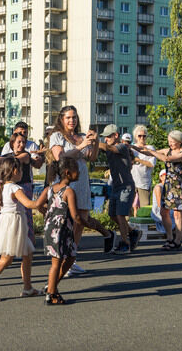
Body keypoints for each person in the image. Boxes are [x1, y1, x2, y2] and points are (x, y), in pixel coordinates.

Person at [49, 106, 115, 272]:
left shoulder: (81, 136)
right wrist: (80, 146)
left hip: (82, 180)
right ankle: (62, 258)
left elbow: (92, 157)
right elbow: (60, 157)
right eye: (68, 118)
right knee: (65, 220)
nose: (72, 121)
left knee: (81, 219)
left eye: (74, 117)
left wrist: (94, 142)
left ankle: (72, 257)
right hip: (66, 182)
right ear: (62, 119)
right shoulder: (57, 136)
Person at [0, 157, 46, 302]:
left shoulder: (2, 188)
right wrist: (44, 196)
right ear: (15, 171)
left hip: (9, 224)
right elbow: (29, 204)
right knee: (6, 259)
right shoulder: (15, 188)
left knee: (27, 254)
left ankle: (27, 288)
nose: (22, 173)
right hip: (13, 225)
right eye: (21, 170)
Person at [133, 130, 182, 250]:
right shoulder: (167, 150)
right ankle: (169, 237)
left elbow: (167, 159)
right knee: (163, 212)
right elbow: (148, 153)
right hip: (168, 186)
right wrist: (133, 148)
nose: (170, 143)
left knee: (177, 214)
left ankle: (177, 240)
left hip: (178, 186)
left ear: (179, 141)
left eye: (172, 141)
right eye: (169, 141)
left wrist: (151, 151)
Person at [98, 124, 142, 254]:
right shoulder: (109, 147)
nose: (105, 139)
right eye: (104, 137)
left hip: (126, 186)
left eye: (108, 136)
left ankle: (125, 243)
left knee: (120, 215)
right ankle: (132, 232)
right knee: (112, 215)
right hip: (116, 186)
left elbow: (110, 148)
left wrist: (95, 142)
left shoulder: (122, 146)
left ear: (116, 135)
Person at [43, 156, 80, 305]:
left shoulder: (50, 189)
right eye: (76, 170)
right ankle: (51, 295)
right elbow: (75, 215)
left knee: (71, 257)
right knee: (56, 262)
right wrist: (88, 223)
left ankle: (51, 286)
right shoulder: (68, 191)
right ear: (67, 173)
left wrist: (47, 214)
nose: (79, 172)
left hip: (62, 230)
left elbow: (38, 205)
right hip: (58, 231)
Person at [131, 125, 156, 216]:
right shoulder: (131, 148)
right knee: (129, 207)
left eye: (144, 136)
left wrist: (138, 160)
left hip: (144, 182)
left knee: (145, 207)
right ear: (135, 137)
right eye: (139, 136)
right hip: (131, 181)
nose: (142, 138)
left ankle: (144, 224)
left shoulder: (150, 148)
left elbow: (151, 164)